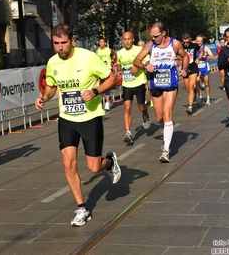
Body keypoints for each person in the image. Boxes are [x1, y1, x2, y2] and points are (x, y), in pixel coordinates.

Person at [35, 24, 121, 227]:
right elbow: (51, 86)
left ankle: (109, 161)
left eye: (64, 43)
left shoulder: (88, 57)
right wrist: (43, 98)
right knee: (68, 163)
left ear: (72, 41)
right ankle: (82, 208)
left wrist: (95, 92)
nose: (60, 47)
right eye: (56, 44)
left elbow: (112, 78)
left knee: (93, 167)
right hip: (67, 119)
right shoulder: (52, 62)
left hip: (90, 118)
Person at [134, 21, 189, 162]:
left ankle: (166, 150)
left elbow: (185, 56)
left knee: (167, 114)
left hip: (171, 83)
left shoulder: (175, 44)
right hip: (156, 84)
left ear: (164, 33)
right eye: (151, 36)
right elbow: (136, 61)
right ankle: (167, 125)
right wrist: (146, 66)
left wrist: (184, 69)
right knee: (159, 118)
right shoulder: (150, 45)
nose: (153, 38)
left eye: (156, 36)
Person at [116, 32, 150, 145]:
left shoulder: (139, 50)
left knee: (141, 106)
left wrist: (138, 67)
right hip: (127, 84)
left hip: (139, 82)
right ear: (122, 40)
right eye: (124, 39)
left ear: (133, 40)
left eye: (128, 39)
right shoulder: (119, 52)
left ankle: (145, 113)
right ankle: (128, 133)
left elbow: (147, 62)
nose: (126, 41)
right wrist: (120, 72)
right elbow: (119, 64)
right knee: (127, 107)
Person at [182, 33, 204, 115]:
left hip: (193, 68)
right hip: (184, 69)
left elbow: (201, 51)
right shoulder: (181, 46)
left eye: (187, 42)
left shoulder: (194, 46)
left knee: (191, 86)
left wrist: (198, 58)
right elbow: (176, 55)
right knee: (188, 88)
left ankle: (190, 107)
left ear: (190, 40)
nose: (186, 44)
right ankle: (193, 93)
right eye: (184, 42)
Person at [95, 38, 116, 110]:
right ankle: (107, 101)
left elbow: (114, 55)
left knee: (107, 86)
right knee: (101, 86)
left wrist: (112, 61)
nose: (101, 43)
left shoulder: (109, 50)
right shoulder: (97, 51)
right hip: (100, 71)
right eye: (100, 42)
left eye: (102, 42)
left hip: (108, 69)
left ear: (105, 43)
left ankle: (107, 103)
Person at [195, 34, 216, 106]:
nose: (199, 43)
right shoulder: (194, 47)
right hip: (197, 66)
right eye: (198, 41)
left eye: (200, 41)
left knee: (206, 83)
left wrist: (207, 56)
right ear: (196, 41)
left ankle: (208, 97)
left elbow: (213, 56)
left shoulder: (205, 47)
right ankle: (200, 97)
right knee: (197, 82)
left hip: (204, 66)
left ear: (202, 41)